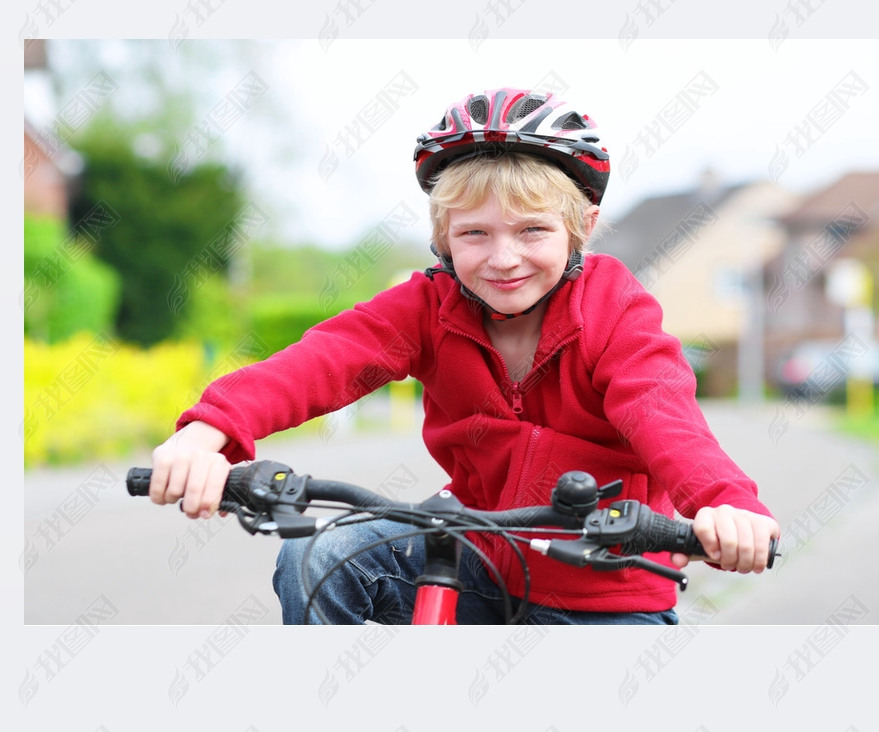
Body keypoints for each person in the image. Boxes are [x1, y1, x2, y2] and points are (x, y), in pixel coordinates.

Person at [148, 87, 780, 624]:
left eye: (533, 231)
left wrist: (724, 503)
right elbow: (326, 359)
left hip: (602, 586)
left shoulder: (614, 308)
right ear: (442, 238)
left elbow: (661, 411)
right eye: (475, 233)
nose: (503, 258)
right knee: (319, 557)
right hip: (471, 558)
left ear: (582, 228)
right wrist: (211, 433)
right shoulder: (428, 305)